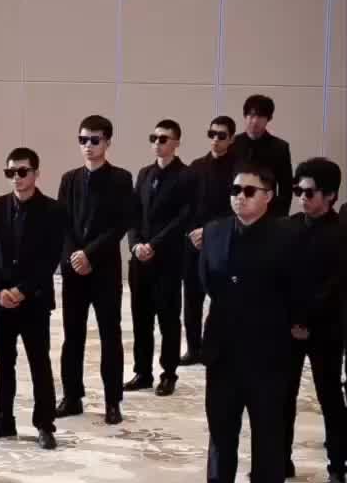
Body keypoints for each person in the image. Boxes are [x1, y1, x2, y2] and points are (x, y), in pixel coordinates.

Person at [189, 158, 303, 483]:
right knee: (221, 427)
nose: (240, 197)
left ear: (268, 196)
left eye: (249, 191)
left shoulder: (287, 236)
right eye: (235, 190)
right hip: (222, 346)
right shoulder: (215, 231)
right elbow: (207, 280)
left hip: (267, 350)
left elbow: (296, 289)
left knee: (267, 430)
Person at [0, 147, 65, 449]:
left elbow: (50, 259)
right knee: (3, 362)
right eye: (10, 172)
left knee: (39, 362)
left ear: (36, 173)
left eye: (22, 171)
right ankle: (3, 420)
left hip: (35, 300)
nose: (16, 177)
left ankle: (45, 424)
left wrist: (23, 290)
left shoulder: (53, 210)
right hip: (1, 302)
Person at [57, 116, 132, 424]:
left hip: (104, 269)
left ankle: (113, 401)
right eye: (83, 140)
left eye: (94, 140)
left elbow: (120, 224)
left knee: (109, 335)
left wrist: (89, 254)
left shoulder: (121, 179)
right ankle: (72, 396)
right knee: (72, 335)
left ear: (107, 142)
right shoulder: (69, 179)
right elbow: (62, 223)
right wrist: (74, 256)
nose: (88, 146)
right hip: (74, 270)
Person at [283, 157, 347, 483]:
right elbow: (278, 278)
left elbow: (336, 285)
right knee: (282, 396)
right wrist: (292, 320)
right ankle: (281, 461)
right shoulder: (288, 227)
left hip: (326, 328)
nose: (302, 198)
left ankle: (338, 467)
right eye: (298, 191)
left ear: (331, 195)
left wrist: (306, 320)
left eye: (309, 193)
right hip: (288, 327)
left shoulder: (342, 233)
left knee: (330, 397)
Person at [125, 119, 189, 397]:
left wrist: (154, 245)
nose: (157, 143)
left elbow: (183, 217)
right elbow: (133, 213)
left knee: (168, 319)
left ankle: (168, 373)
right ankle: (142, 372)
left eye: (163, 139)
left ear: (176, 143)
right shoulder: (144, 173)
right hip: (140, 259)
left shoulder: (186, 176)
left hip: (167, 259)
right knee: (141, 318)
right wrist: (136, 244)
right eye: (154, 138)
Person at [182, 115, 237, 364]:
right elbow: (186, 206)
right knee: (191, 298)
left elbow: (235, 210)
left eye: (221, 135)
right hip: (194, 240)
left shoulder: (239, 169)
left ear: (231, 139)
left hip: (223, 242)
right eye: (211, 134)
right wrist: (193, 232)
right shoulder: (196, 166)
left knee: (220, 297)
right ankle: (193, 348)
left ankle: (216, 348)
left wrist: (209, 232)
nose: (215, 139)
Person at [240, 95, 292, 217]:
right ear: (245, 116)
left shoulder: (280, 147)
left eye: (260, 116)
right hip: (237, 211)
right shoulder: (232, 144)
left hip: (268, 213)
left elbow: (286, 188)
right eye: (251, 115)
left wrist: (280, 217)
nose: (255, 121)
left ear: (269, 119)